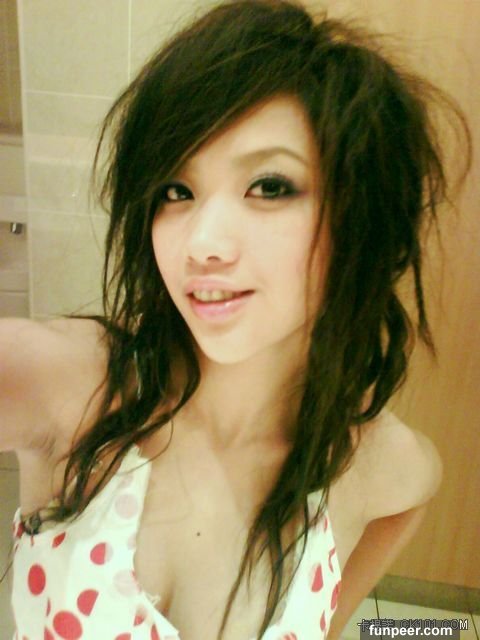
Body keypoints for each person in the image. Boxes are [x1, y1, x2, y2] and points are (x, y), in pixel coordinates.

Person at [0, 1, 471, 639]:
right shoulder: (72, 385)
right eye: (176, 191)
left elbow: (410, 499)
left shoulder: (377, 462)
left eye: (270, 186)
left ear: (362, 215)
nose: (202, 244)